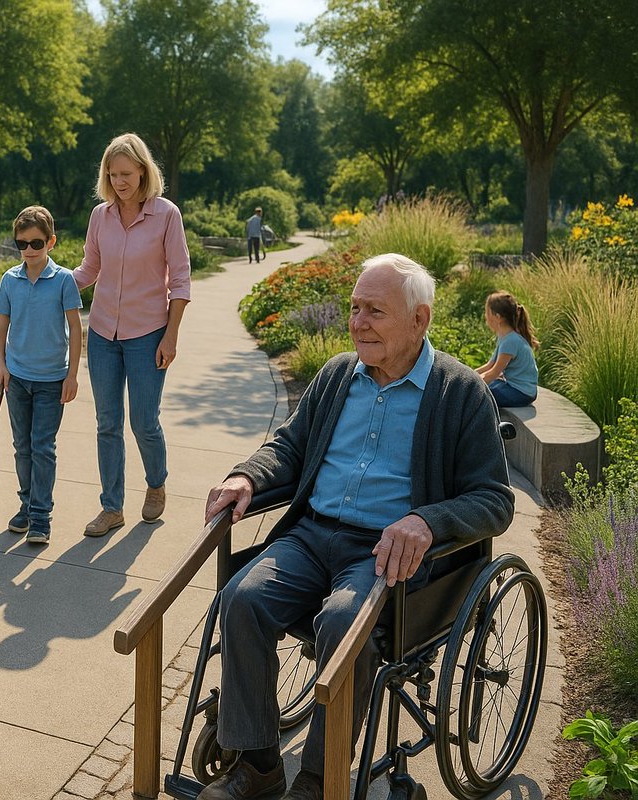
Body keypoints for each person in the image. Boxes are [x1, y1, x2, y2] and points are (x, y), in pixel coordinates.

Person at [199, 253, 514, 800]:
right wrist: (247, 476)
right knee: (241, 598)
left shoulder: (461, 392)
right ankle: (258, 766)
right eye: (353, 308)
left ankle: (319, 781)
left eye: (375, 311)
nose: (358, 322)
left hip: (386, 556)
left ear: (420, 319)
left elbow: (494, 501)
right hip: (312, 536)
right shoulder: (339, 374)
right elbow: (290, 446)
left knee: (345, 622)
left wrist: (426, 520)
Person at [73, 132, 191, 537]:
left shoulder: (166, 215)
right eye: (112, 173)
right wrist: (49, 283)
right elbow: (89, 270)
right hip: (103, 333)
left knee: (143, 421)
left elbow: (180, 280)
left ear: (143, 171)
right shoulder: (100, 217)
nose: (119, 181)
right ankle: (111, 508)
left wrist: (171, 335)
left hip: (148, 334)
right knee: (107, 421)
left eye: (126, 173)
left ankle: (156, 482)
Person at [0, 205, 83, 545]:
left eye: (36, 243)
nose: (29, 250)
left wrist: (72, 375)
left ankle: (41, 516)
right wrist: (0, 367)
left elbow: (76, 329)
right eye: (22, 244)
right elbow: (1, 326)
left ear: (51, 242)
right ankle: (27, 505)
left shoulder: (63, 280)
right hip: (17, 379)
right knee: (22, 447)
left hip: (51, 380)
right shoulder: (9, 280)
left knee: (43, 447)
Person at [475, 291, 539, 408]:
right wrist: (467, 375)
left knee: (478, 395)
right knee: (485, 387)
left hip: (521, 393)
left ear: (497, 317)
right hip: (515, 388)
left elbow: (494, 373)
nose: (485, 317)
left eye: (487, 313)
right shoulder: (504, 337)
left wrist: (469, 385)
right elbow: (490, 365)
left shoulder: (510, 341)